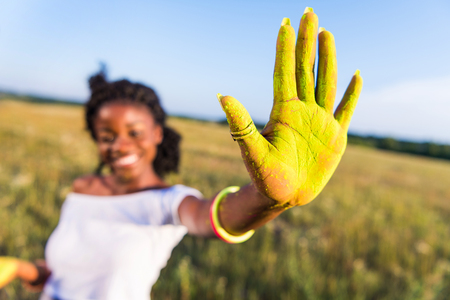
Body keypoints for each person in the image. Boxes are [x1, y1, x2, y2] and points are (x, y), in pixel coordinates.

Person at [0, 7, 362, 300]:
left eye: (134, 133)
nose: (119, 145)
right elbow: (58, 272)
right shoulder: (82, 187)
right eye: (106, 134)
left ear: (158, 134)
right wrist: (18, 268)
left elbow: (212, 217)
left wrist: (267, 200)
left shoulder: (170, 202)